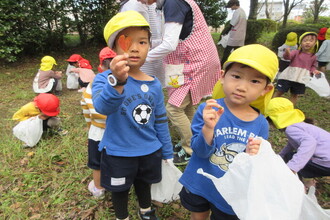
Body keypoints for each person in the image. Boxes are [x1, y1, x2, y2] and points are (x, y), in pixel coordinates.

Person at [179, 44, 278, 220]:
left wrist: (255, 155)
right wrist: (208, 128)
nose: (241, 87)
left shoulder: (261, 124)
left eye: (254, 81)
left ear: (266, 89)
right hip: (200, 181)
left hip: (230, 192)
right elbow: (200, 151)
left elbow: (255, 165)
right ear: (223, 77)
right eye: (237, 76)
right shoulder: (209, 110)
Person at [92, 11, 173, 220]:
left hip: (149, 149)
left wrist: (167, 150)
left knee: (144, 183)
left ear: (149, 46)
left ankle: (146, 210)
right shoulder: (104, 79)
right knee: (119, 190)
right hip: (119, 152)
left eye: (143, 42)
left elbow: (160, 120)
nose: (135, 48)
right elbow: (102, 107)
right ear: (114, 48)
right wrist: (118, 81)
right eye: (127, 42)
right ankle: (122, 216)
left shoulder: (154, 84)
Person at [139, 0, 221, 165]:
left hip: (195, 63)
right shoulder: (171, 3)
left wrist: (142, 58)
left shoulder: (173, 2)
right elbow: (170, 39)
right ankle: (194, 140)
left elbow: (169, 44)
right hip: (196, 60)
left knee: (174, 109)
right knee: (187, 106)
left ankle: (191, 148)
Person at [265, 97, 330, 191]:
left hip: (326, 162)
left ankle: (298, 187)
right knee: (289, 156)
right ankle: (306, 181)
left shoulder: (291, 129)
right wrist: (279, 156)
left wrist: (292, 167)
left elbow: (310, 143)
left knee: (292, 158)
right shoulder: (299, 125)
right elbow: (292, 144)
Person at [81, 47, 116, 199]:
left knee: (97, 163)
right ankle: (119, 185)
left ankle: (99, 188)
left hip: (97, 132)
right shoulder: (126, 82)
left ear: (100, 67)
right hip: (119, 132)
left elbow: (86, 111)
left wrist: (90, 128)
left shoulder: (92, 85)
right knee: (118, 160)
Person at [120, 0, 165, 87]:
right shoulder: (134, 5)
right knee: (140, 84)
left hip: (149, 52)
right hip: (144, 54)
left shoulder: (143, 4)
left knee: (148, 84)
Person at [274, 32, 320, 105]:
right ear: (300, 43)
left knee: (295, 94)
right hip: (288, 76)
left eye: (311, 41)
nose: (307, 43)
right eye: (305, 41)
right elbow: (287, 57)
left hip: (301, 78)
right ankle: (272, 105)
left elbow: (313, 66)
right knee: (280, 91)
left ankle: (290, 108)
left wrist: (314, 71)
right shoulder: (296, 52)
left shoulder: (313, 57)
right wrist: (287, 53)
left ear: (315, 43)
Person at [220, 0, 247, 66]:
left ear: (235, 4)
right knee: (238, 53)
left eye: (230, 6)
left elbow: (232, 24)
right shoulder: (243, 11)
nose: (230, 8)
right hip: (241, 35)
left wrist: (225, 32)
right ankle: (237, 65)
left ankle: (221, 64)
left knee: (227, 51)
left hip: (235, 35)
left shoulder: (237, 12)